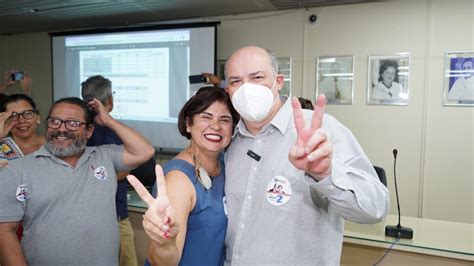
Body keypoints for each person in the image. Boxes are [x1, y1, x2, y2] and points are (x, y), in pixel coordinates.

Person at [223, 46, 389, 265]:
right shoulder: (230, 141)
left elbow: (375, 207)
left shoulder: (321, 131)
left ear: (279, 82)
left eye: (257, 77)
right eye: (236, 81)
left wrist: (326, 175)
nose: (247, 88)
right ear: (228, 91)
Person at [0, 97, 155, 265]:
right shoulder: (17, 169)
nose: (61, 129)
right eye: (55, 121)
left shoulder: (105, 156)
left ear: (89, 131)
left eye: (72, 123)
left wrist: (109, 121)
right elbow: (5, 230)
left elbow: (145, 151)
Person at [127, 87, 239, 266]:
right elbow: (166, 261)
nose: (216, 126)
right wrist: (165, 243)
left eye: (224, 120)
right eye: (206, 117)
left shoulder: (226, 165)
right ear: (188, 123)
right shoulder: (179, 179)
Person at [81, 75, 140, 266]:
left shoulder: (80, 129)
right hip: (114, 214)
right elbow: (125, 167)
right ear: (109, 101)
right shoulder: (114, 131)